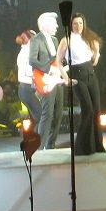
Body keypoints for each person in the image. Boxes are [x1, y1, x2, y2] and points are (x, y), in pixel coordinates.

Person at [57, 13, 106, 155]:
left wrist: (96, 52)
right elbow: (58, 62)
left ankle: (96, 146)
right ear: (70, 25)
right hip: (77, 76)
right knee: (88, 110)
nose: (78, 26)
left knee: (96, 110)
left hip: (90, 74)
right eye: (75, 23)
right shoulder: (66, 40)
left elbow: (94, 63)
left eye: (80, 23)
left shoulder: (89, 38)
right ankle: (81, 147)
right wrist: (66, 78)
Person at [29, 12, 67, 150]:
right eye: (54, 23)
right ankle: (40, 146)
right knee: (48, 113)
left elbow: (57, 60)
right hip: (45, 80)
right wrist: (47, 69)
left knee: (58, 113)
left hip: (56, 80)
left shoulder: (56, 40)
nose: (57, 26)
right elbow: (32, 60)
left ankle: (51, 145)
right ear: (45, 25)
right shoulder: (36, 40)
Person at [15, 30, 44, 123]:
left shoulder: (28, 52)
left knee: (37, 119)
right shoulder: (26, 53)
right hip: (27, 89)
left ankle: (35, 136)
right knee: (41, 118)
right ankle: (40, 136)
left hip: (28, 88)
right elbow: (28, 72)